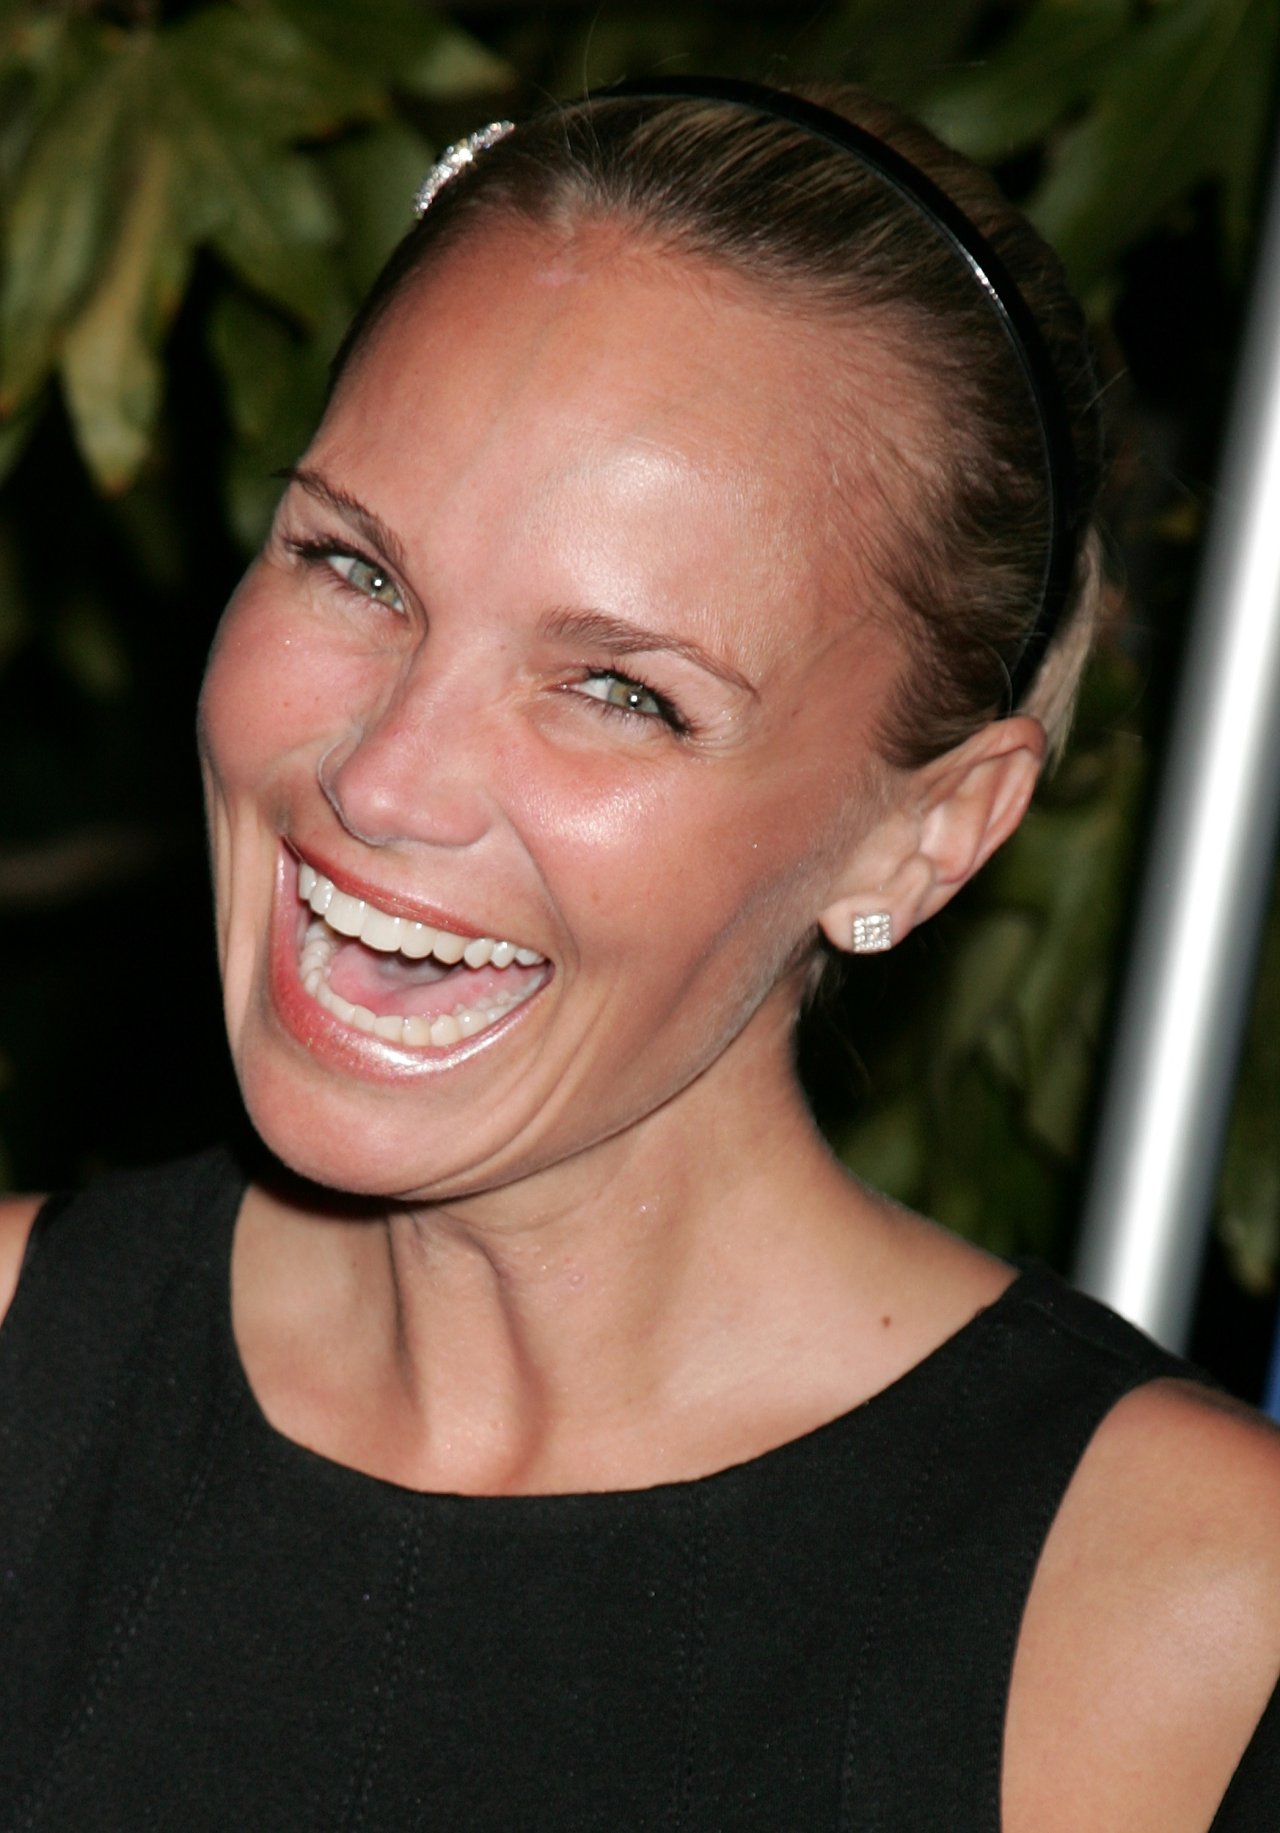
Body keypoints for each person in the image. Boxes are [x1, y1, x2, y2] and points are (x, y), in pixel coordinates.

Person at [0, 77, 1277, 1831]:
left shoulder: (1187, 1624)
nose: (383, 780)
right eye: (354, 567)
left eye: (619, 688)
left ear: (927, 831)